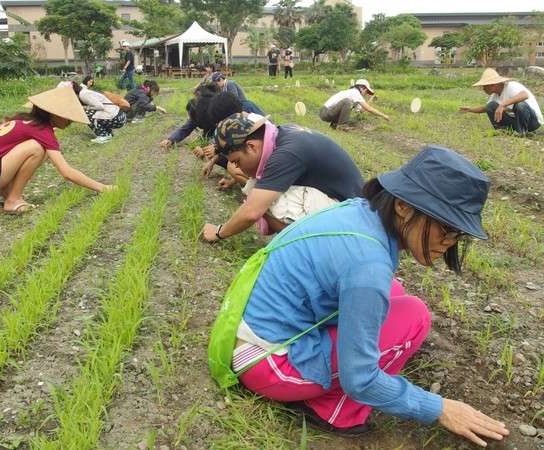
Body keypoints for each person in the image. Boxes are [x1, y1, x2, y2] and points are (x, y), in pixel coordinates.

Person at [208, 145, 510, 448]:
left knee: (395, 294)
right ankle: (334, 411)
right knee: (414, 317)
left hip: (250, 334)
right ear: (403, 206)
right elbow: (360, 379)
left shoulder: (359, 212)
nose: (448, 242)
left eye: (458, 233)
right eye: (445, 227)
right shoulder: (368, 266)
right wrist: (439, 408)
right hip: (267, 363)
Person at [201, 113, 364, 242]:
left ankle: (313, 246)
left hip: (351, 223)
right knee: (257, 189)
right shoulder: (280, 135)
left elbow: (251, 211)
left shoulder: (285, 154)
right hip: (345, 206)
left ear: (251, 146)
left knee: (266, 200)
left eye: (237, 161)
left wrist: (218, 232)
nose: (238, 167)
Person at [0, 85, 116, 214]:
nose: (71, 120)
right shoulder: (41, 131)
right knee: (37, 149)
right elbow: (67, 172)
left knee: (42, 151)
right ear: (53, 113)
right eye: (68, 115)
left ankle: (7, 192)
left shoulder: (26, 121)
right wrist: (103, 188)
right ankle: (12, 200)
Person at [459, 68, 542, 135]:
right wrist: (469, 109)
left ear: (493, 85)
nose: (483, 89)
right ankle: (503, 130)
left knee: (520, 105)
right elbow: (485, 108)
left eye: (485, 86)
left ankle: (522, 132)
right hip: (516, 121)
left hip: (532, 121)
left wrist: (502, 105)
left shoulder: (511, 86)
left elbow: (524, 95)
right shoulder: (495, 95)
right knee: (490, 106)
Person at [319, 79, 390, 131]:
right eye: (366, 91)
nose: (366, 94)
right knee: (347, 101)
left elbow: (361, 110)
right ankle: (343, 126)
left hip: (330, 113)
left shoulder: (355, 96)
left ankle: (334, 126)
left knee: (347, 104)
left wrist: (370, 100)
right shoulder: (355, 93)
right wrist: (383, 115)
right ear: (361, 88)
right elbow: (369, 109)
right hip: (325, 112)